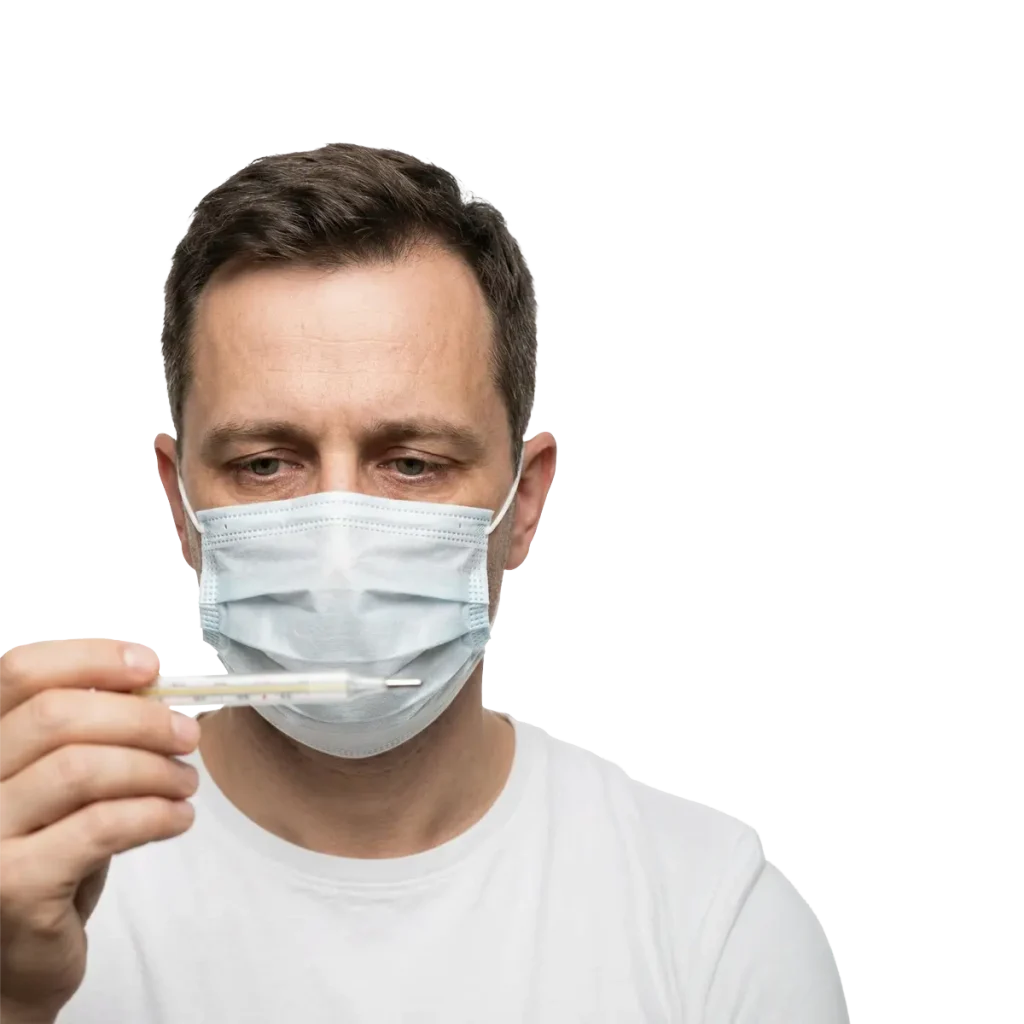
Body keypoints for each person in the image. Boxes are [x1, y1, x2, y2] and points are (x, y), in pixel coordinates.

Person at [0, 143, 848, 1023]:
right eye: (265, 464)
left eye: (411, 462)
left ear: (525, 500)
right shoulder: (37, 884)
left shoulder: (712, 918)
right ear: (180, 503)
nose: (338, 549)